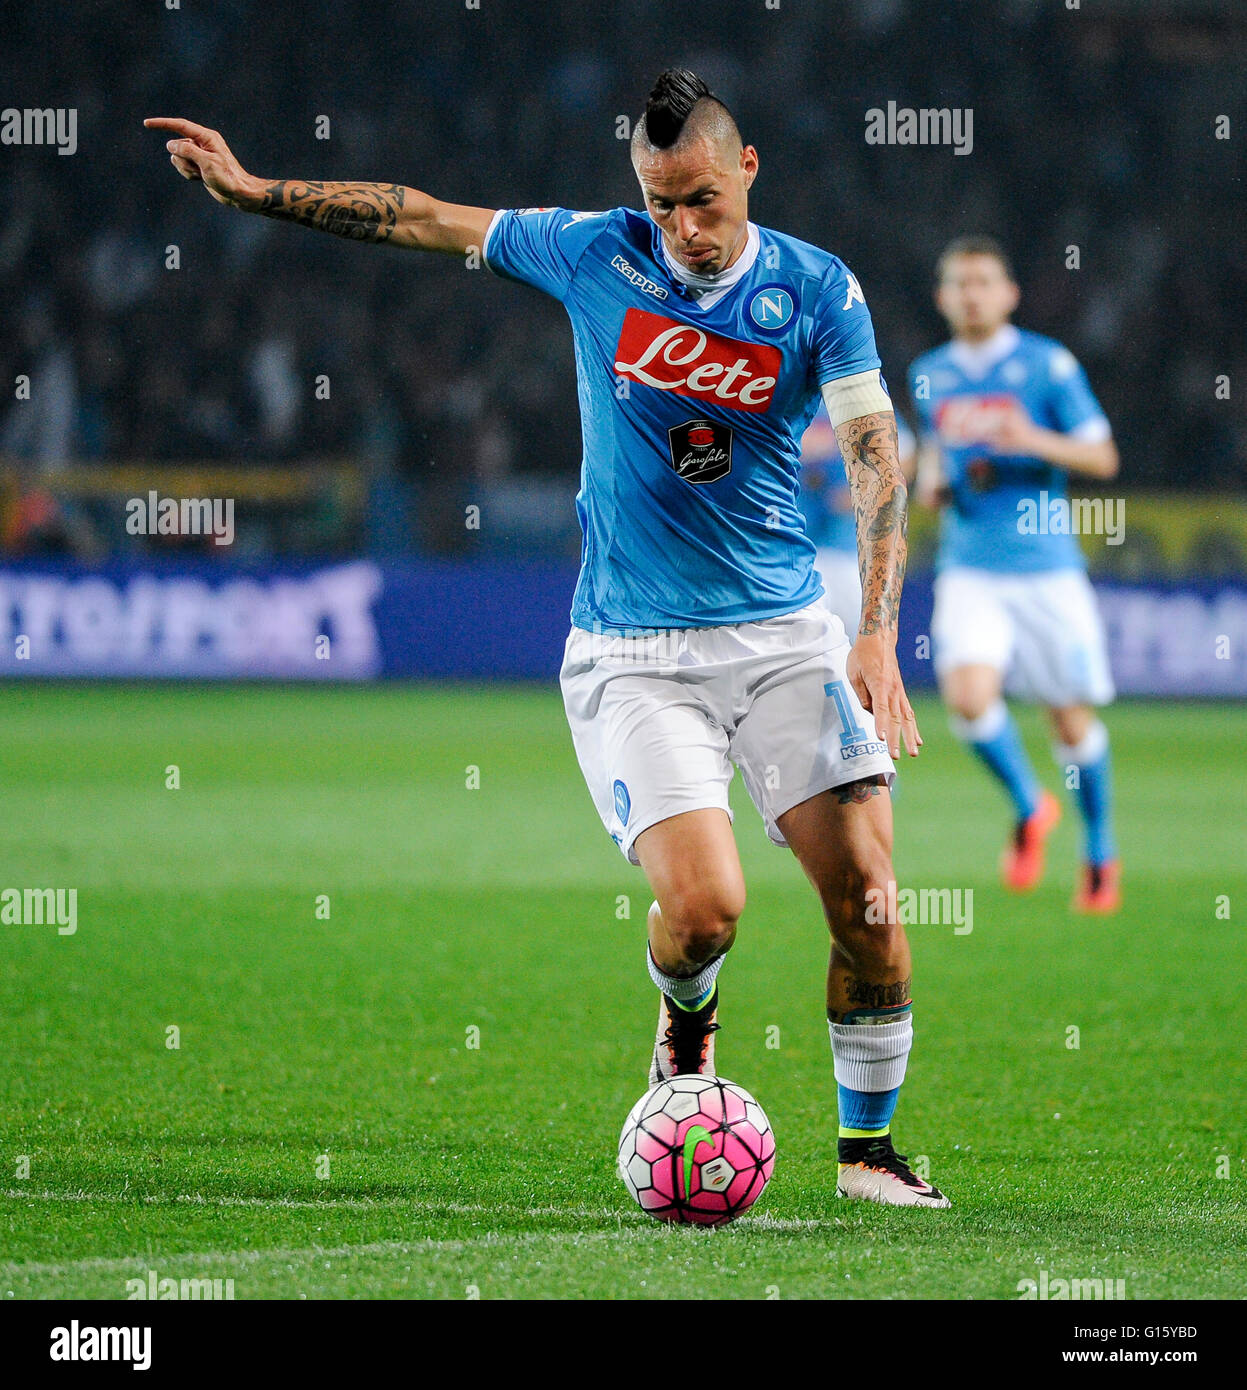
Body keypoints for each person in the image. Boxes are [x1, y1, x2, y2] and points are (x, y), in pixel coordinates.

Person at [147, 67, 948, 1205]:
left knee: (868, 897)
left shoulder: (818, 288)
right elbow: (424, 216)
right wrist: (256, 189)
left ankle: (866, 1153)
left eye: (703, 199)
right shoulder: (588, 251)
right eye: (662, 202)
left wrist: (876, 631)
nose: (684, 227)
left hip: (782, 636)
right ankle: (685, 1021)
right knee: (706, 907)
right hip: (634, 650)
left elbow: (874, 454)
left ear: (747, 168)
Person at [908, 237, 1121, 912]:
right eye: (959, 283)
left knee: (1068, 720)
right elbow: (933, 465)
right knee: (968, 699)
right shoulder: (928, 374)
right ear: (942, 297)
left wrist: (1030, 440)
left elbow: (1101, 457)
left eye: (983, 282)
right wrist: (931, 487)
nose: (971, 294)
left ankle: (1099, 850)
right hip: (969, 566)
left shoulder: (1046, 365)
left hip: (1045, 568)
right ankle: (1031, 806)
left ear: (1008, 294)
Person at [799, 399, 916, 637]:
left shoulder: (853, 391)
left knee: (858, 642)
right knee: (804, 645)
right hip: (792, 548)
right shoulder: (782, 393)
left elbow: (904, 456)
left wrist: (868, 492)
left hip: (851, 549)